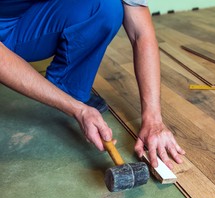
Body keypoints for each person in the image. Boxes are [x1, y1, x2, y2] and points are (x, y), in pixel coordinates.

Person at [0, 0, 185, 170]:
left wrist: (153, 119)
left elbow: (141, 33)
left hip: (29, 22)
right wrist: (77, 110)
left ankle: (68, 89)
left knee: (107, 7)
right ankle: (67, 100)